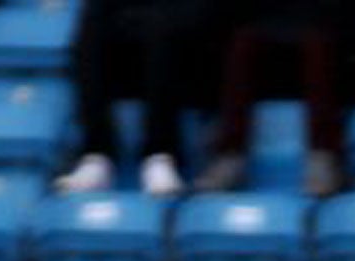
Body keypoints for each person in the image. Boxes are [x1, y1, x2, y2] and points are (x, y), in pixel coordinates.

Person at [193, 0, 355, 196]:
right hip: (268, 47)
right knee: (242, 39)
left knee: (318, 40)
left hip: (341, 54)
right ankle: (229, 155)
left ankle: (324, 156)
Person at [56, 0, 231, 197]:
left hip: (191, 43)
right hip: (131, 32)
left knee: (161, 28)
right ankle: (97, 155)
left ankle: (160, 155)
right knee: (92, 27)